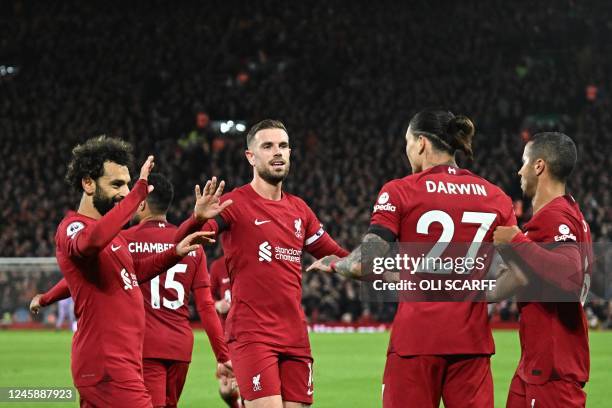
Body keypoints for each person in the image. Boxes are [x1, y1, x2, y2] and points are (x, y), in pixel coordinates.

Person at [309, 109, 516, 408]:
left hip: (415, 342)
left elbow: (362, 262)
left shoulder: (401, 191)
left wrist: (334, 264)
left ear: (420, 143)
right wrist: (481, 294)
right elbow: (521, 274)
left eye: (407, 142)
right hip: (472, 344)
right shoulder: (496, 196)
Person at [175, 119, 349, 407]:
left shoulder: (300, 210)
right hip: (252, 334)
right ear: (251, 157)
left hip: (295, 335)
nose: (277, 152)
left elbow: (337, 255)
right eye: (267, 146)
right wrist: (198, 219)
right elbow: (186, 240)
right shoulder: (234, 204)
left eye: (283, 146)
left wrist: (390, 265)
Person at [32, 172, 234, 408]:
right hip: (180, 347)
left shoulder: (123, 239)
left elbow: (80, 275)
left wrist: (46, 298)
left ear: (142, 204)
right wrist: (222, 355)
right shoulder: (192, 245)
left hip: (142, 346)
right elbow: (206, 305)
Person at [491, 132, 592, 408]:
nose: (519, 170)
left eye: (524, 162)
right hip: (536, 365)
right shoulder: (571, 213)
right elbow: (529, 275)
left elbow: (568, 276)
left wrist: (515, 240)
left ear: (539, 166)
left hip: (553, 368)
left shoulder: (555, 217)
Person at [210, 254, 243, 408]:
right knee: (226, 389)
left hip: (251, 334)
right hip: (227, 338)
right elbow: (205, 296)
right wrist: (217, 305)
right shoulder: (218, 266)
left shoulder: (250, 259)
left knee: (249, 386)